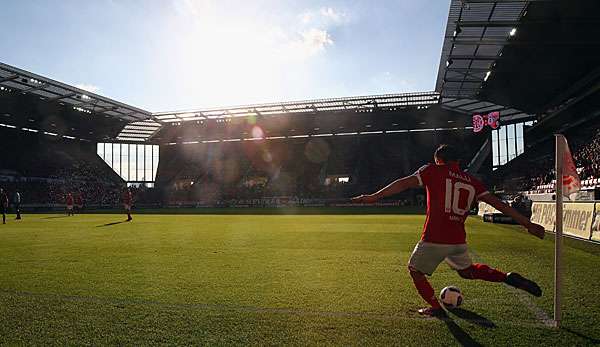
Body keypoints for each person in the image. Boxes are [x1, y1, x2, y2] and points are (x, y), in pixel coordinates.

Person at [352, 144, 546, 317]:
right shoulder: (471, 180)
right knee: (467, 271)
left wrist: (375, 196)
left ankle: (436, 307)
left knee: (415, 271)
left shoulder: (432, 170)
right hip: (457, 240)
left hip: (434, 237)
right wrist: (527, 224)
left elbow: (404, 182)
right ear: (458, 161)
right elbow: (498, 203)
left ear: (438, 159)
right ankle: (507, 277)